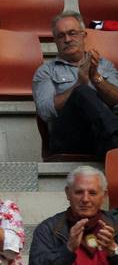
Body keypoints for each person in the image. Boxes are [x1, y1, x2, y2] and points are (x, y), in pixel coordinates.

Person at [34, 12, 118, 158]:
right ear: (55, 41)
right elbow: (45, 111)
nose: (67, 39)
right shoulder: (45, 71)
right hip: (69, 139)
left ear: (83, 36)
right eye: (61, 36)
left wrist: (96, 77)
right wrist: (79, 83)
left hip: (100, 139)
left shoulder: (104, 65)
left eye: (72, 33)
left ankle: (114, 139)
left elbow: (117, 101)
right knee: (81, 92)